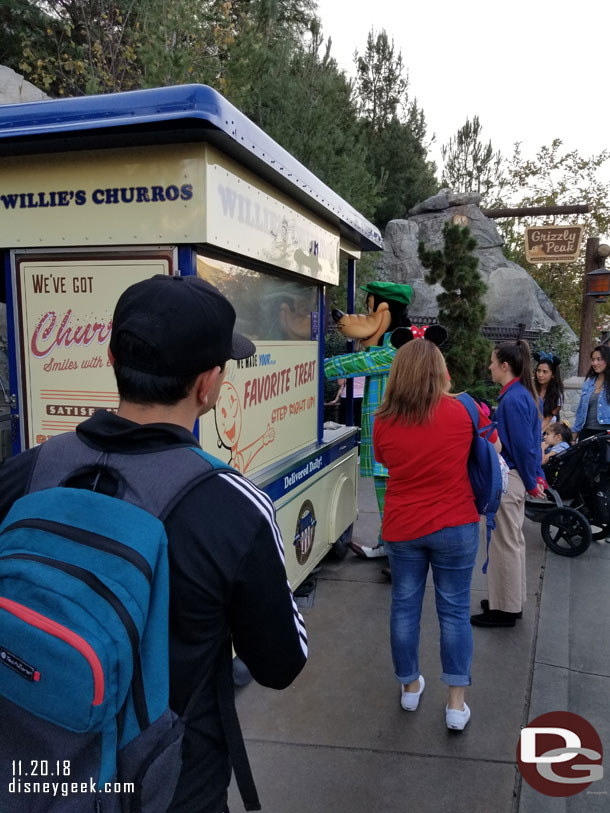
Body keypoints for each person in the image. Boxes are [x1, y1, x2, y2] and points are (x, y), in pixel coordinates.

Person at [0, 274, 308, 813]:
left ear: (112, 356)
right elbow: (280, 664)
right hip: (168, 788)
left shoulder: (25, 473)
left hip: (35, 773)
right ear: (208, 384)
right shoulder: (232, 507)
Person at [373, 339, 499, 731]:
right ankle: (455, 706)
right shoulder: (465, 409)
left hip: (402, 526)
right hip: (456, 523)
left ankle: (410, 687)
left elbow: (382, 459)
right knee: (456, 612)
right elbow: (491, 448)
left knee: (404, 608)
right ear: (440, 371)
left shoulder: (383, 419)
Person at [471, 340, 545, 629]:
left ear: (505, 366)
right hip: (517, 478)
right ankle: (510, 602)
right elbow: (532, 446)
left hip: (510, 478)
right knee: (512, 542)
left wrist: (530, 481)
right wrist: (535, 477)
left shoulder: (513, 399)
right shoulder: (525, 395)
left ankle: (505, 609)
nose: (489, 366)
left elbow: (525, 447)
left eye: (492, 362)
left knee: (503, 544)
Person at [572, 345, 610, 440]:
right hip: (586, 433)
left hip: (606, 434)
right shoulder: (588, 383)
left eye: (599, 359)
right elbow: (580, 411)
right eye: (593, 360)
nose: (595, 363)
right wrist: (574, 435)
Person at [533, 351, 563, 434]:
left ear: (553, 375)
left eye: (545, 372)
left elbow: (548, 418)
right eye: (538, 371)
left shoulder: (557, 395)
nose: (540, 375)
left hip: (547, 433)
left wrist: (534, 433)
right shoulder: (531, 390)